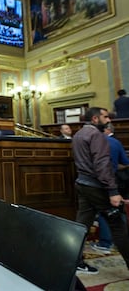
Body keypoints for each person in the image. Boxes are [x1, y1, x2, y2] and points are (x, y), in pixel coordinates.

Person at [72, 107, 129, 275]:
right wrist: (112, 190)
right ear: (95, 119)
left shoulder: (78, 134)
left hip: (82, 184)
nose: (109, 120)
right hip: (96, 186)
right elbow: (101, 164)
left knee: (81, 226)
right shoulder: (96, 135)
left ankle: (75, 262)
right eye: (105, 117)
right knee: (118, 225)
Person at [91, 122, 129, 254]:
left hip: (99, 181)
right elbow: (125, 162)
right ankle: (123, 242)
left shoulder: (97, 141)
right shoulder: (116, 142)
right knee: (119, 211)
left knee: (104, 212)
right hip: (117, 180)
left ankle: (106, 243)